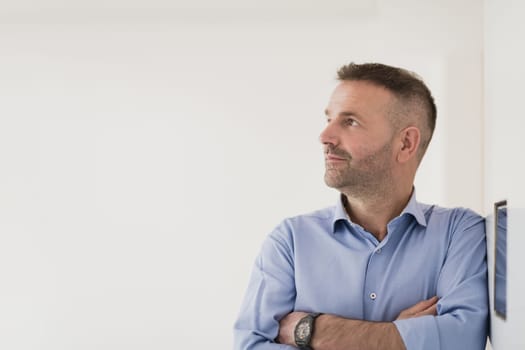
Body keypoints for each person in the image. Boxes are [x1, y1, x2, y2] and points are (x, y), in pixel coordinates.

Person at [233, 62, 488, 350]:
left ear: (405, 143)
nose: (325, 137)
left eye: (350, 121)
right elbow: (250, 345)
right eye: (328, 118)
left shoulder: (461, 233)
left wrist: (314, 331)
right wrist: (399, 336)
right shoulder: (290, 241)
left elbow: (462, 340)